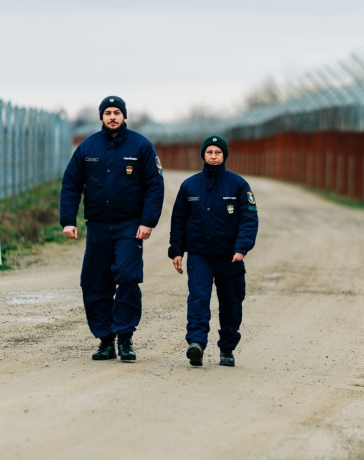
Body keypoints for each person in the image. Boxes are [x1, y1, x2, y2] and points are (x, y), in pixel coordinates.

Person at [60, 95, 164, 362]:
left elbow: (154, 185)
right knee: (94, 282)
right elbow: (71, 184)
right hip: (97, 226)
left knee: (128, 277)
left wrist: (147, 221)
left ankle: (125, 337)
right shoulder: (87, 147)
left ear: (125, 116)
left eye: (117, 112)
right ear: (101, 117)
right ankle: (105, 340)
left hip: (129, 226)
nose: (113, 117)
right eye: (108, 113)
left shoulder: (141, 146)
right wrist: (68, 220)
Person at [169, 135, 258, 367]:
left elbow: (249, 219)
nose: (213, 156)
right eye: (209, 152)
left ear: (224, 155)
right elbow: (178, 220)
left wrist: (242, 247)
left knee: (231, 302)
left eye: (218, 152)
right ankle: (196, 343)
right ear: (203, 155)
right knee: (198, 299)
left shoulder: (238, 185)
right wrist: (176, 250)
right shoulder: (190, 186)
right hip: (199, 254)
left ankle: (227, 348)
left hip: (230, 256)